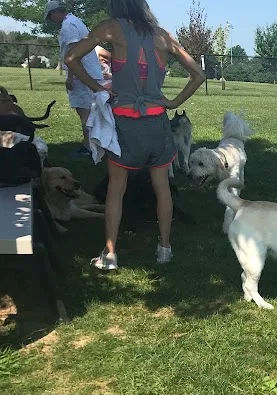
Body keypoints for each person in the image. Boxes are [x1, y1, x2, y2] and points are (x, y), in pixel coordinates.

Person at [64, 0, 205, 270]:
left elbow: (71, 58)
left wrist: (98, 88)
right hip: (157, 123)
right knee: (162, 187)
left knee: (116, 190)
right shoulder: (163, 36)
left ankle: (111, 253)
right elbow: (197, 74)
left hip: (125, 123)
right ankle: (165, 248)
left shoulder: (110, 28)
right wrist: (174, 103)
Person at [45, 1, 105, 158]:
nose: (52, 21)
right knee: (93, 111)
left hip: (81, 75)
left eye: (50, 17)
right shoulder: (76, 21)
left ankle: (90, 147)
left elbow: (73, 53)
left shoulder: (68, 26)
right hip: (90, 73)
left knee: (85, 113)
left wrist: (71, 76)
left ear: (55, 13)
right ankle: (96, 145)